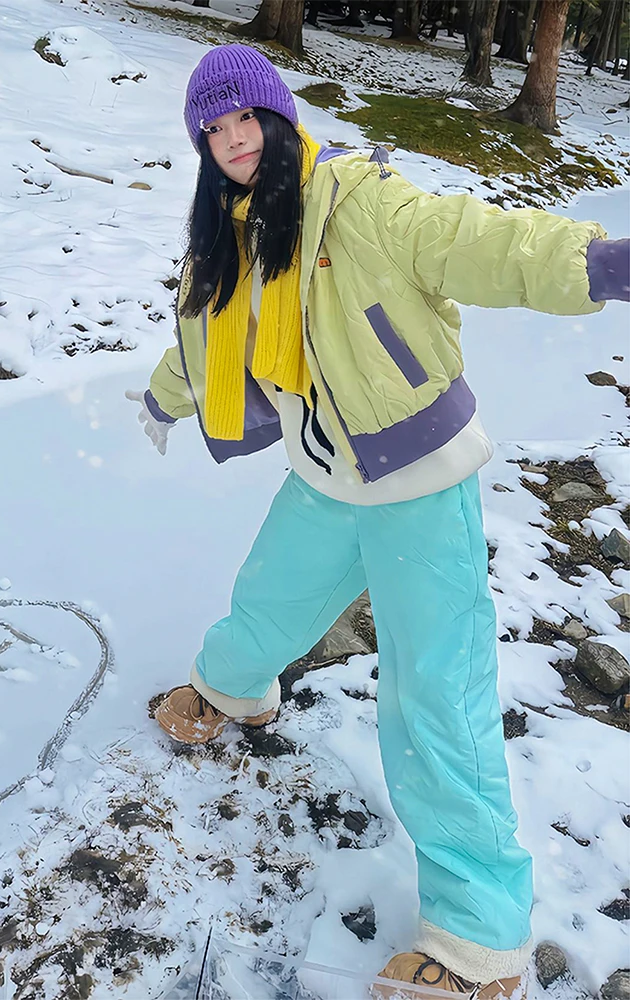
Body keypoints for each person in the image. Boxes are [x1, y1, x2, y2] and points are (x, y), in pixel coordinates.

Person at [125, 43, 629, 998]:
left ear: (279, 119)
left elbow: (477, 239)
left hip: (414, 478)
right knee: (269, 595)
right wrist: (163, 398)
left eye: (247, 121)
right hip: (325, 466)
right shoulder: (230, 230)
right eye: (214, 129)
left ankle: (481, 935)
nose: (234, 141)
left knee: (435, 694)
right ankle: (232, 690)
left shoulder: (359, 202)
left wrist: (598, 263)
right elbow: (202, 330)